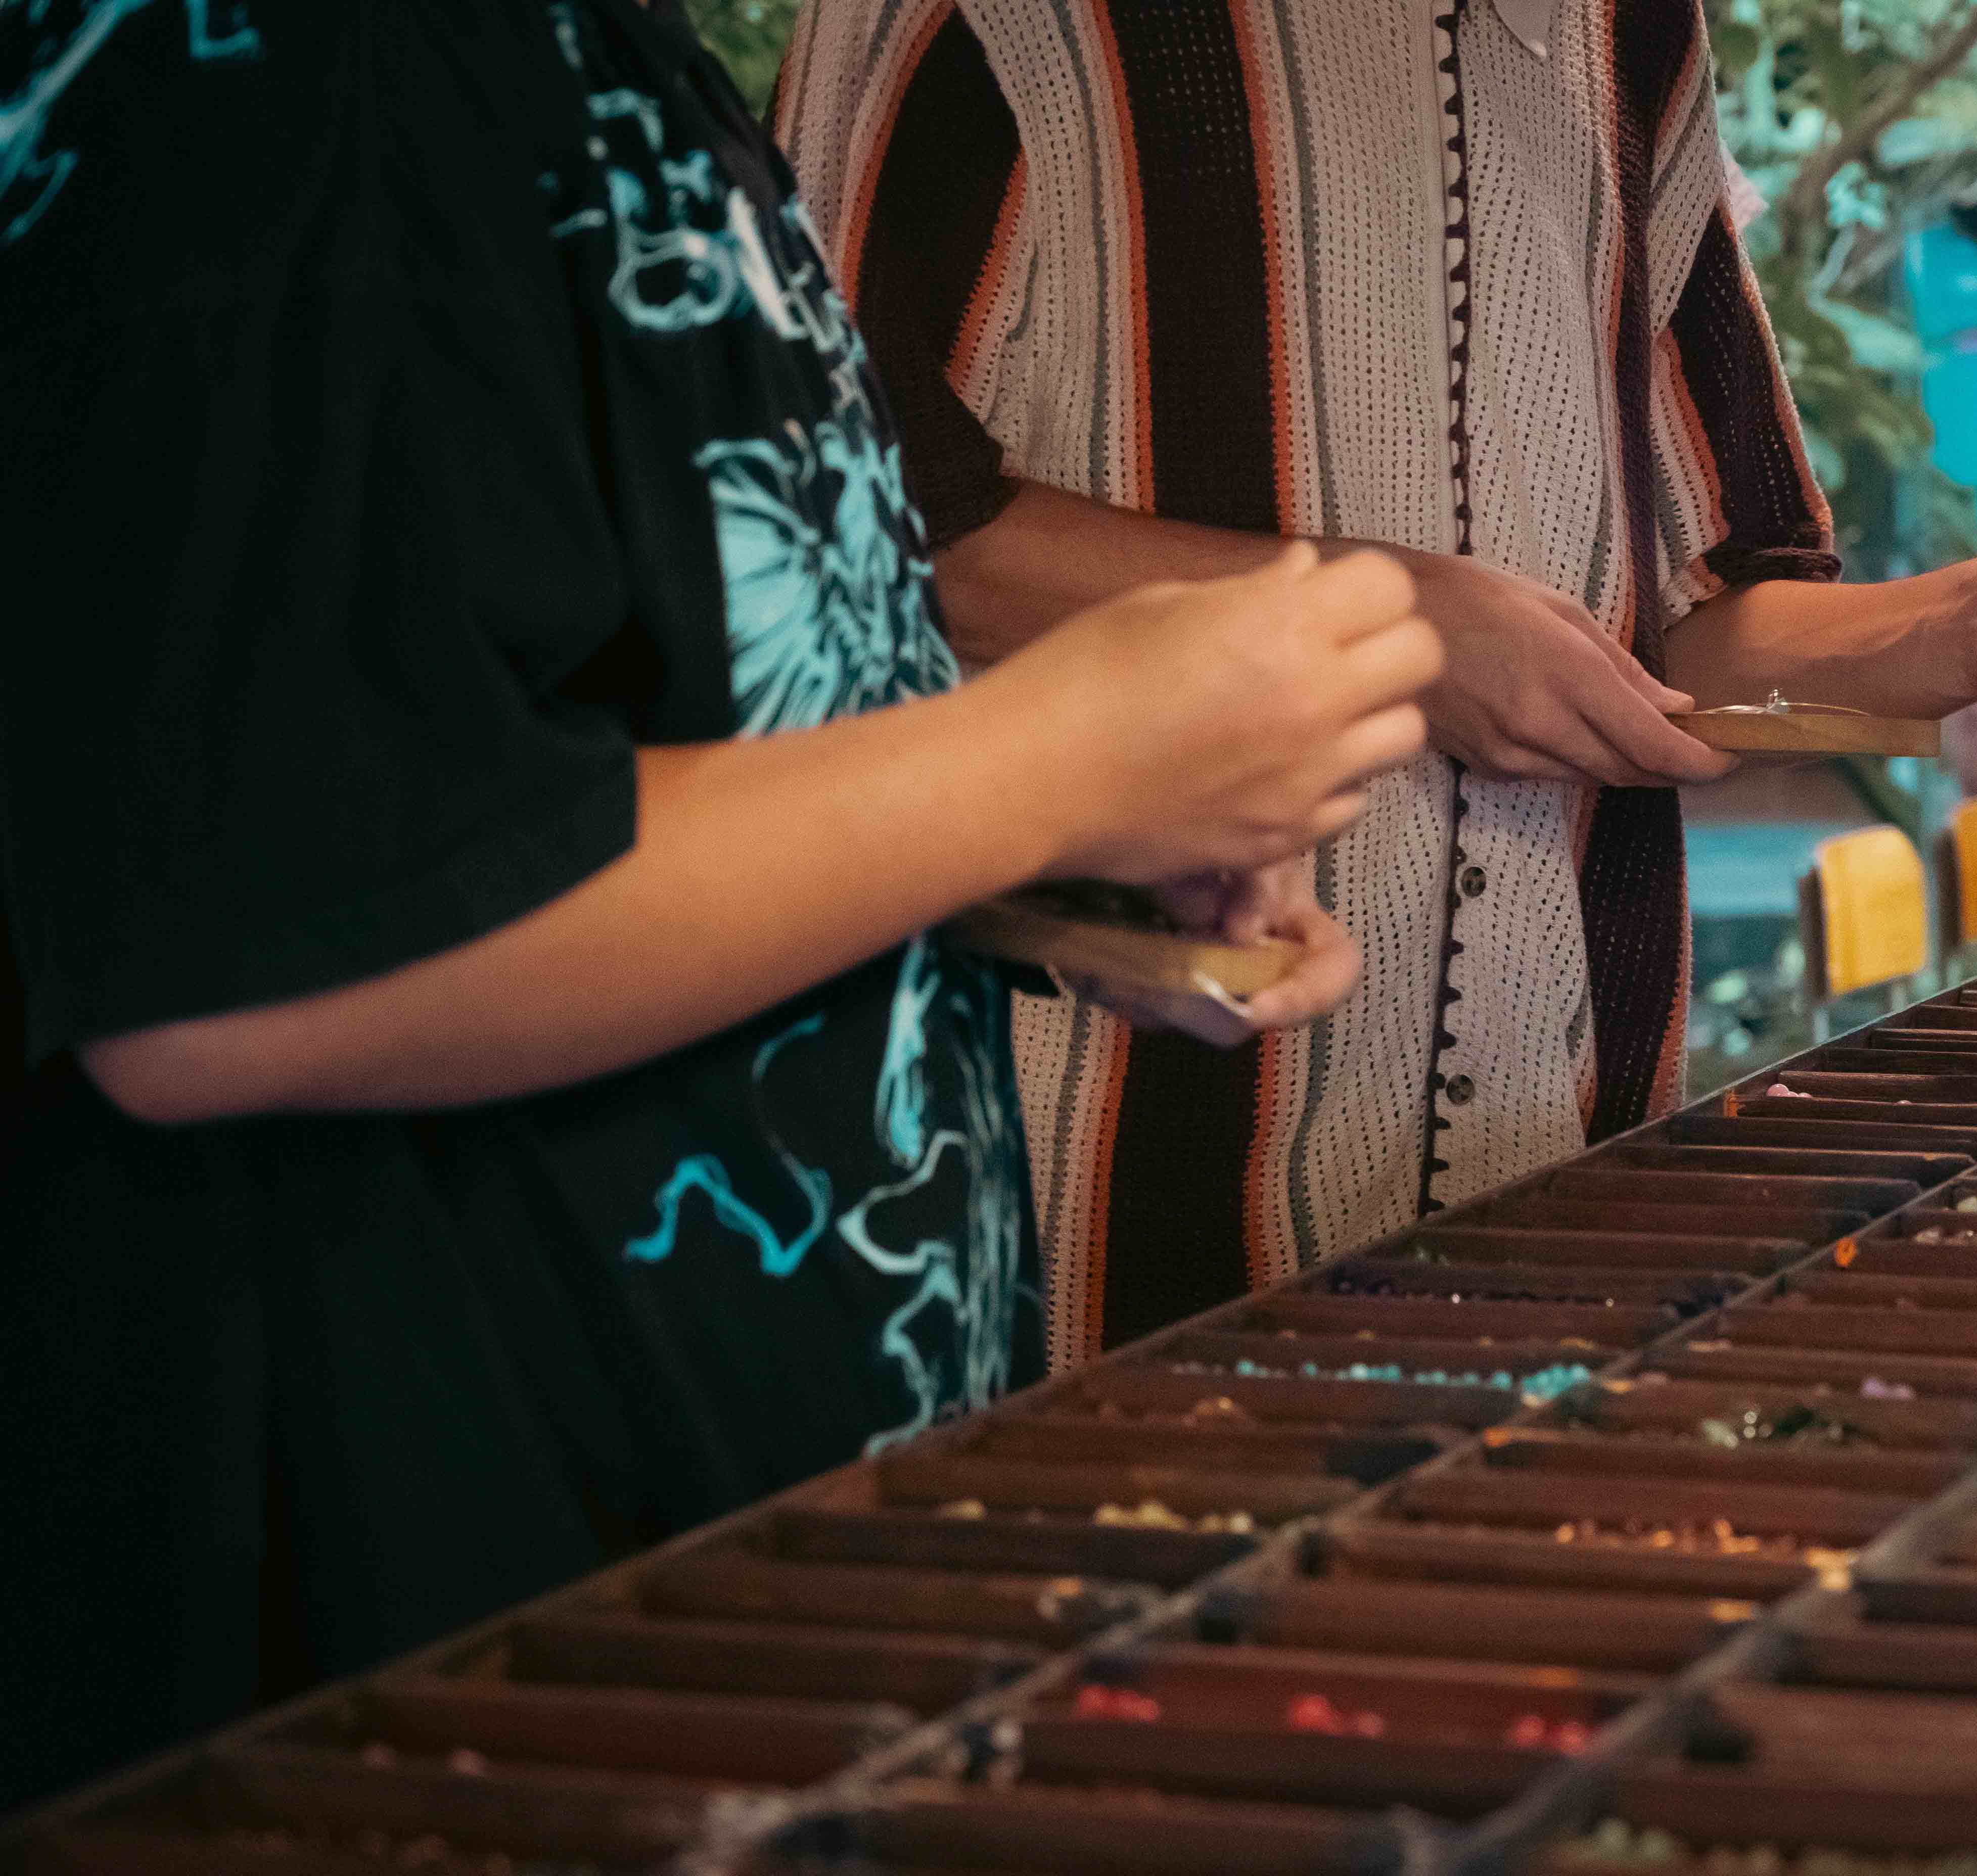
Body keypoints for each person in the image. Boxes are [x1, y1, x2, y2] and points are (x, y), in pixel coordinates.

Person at [0, 0, 1439, 1809]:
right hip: (423, 1666)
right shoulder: (303, 62)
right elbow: (237, 969)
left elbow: (529, 750)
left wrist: (1039, 873)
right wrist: (1051, 759)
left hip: (696, 1631)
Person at [775, 0, 1977, 1366]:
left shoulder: (1632, 26)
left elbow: (1678, 632)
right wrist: (1394, 617)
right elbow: (826, 520)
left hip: (1558, 1159)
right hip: (1088, 1174)